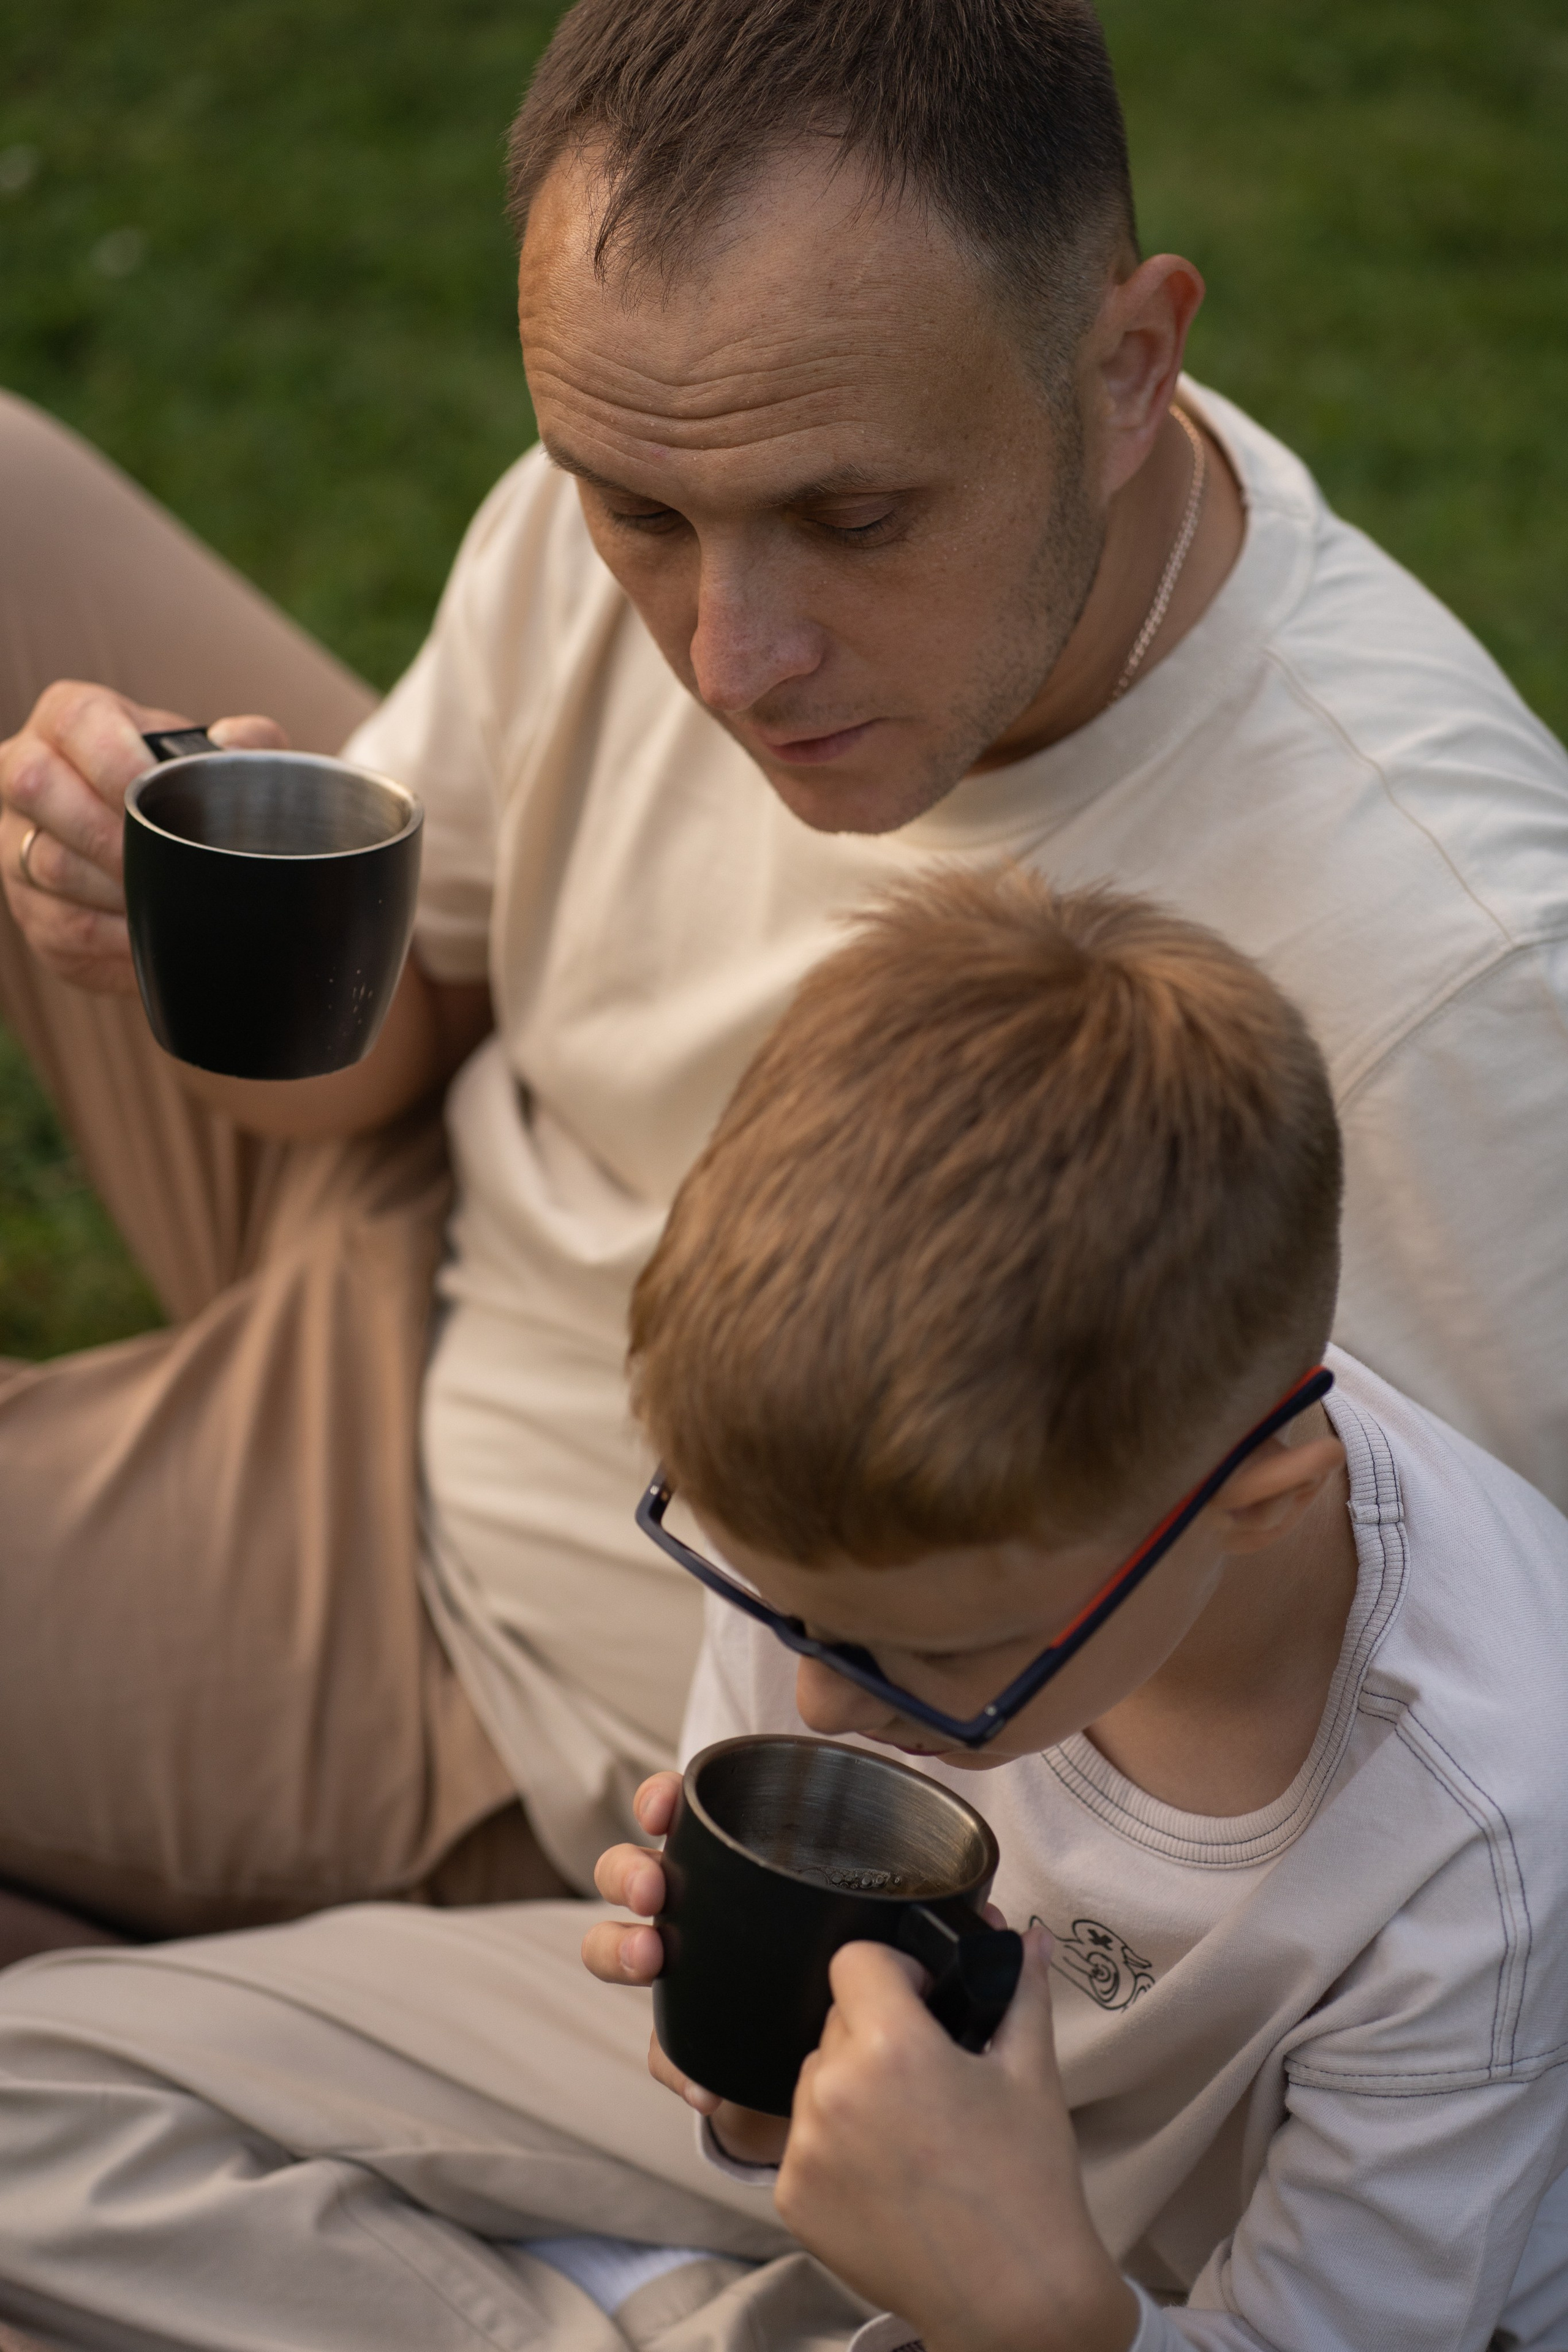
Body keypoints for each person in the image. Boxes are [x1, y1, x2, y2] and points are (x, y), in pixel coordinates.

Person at [2, 0, 1566, 1942]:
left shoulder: (1445, 972)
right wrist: (162, 929)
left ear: (1127, 366)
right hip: (437, 1226)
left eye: (856, 520)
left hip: (528, 1644)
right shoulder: (688, 434)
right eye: (639, 511)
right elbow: (397, 1054)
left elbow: (1463, 1776)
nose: (728, 661)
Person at [4, 867, 1567, 2351]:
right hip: (883, 2168)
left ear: (1259, 1499)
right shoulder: (852, 1496)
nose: (821, 1705)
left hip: (1129, 2292)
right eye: (781, 1611)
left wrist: (1031, 2316)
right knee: (37, 2096)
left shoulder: (1478, 1828)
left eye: (940, 1662)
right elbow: (753, 2089)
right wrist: (742, 2087)